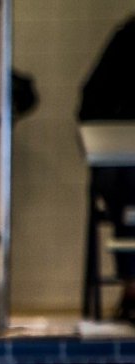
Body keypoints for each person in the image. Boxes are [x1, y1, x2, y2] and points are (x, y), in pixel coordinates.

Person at [81, 14, 135, 324]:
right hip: (122, 161)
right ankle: (131, 288)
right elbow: (90, 106)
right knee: (129, 183)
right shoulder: (127, 39)